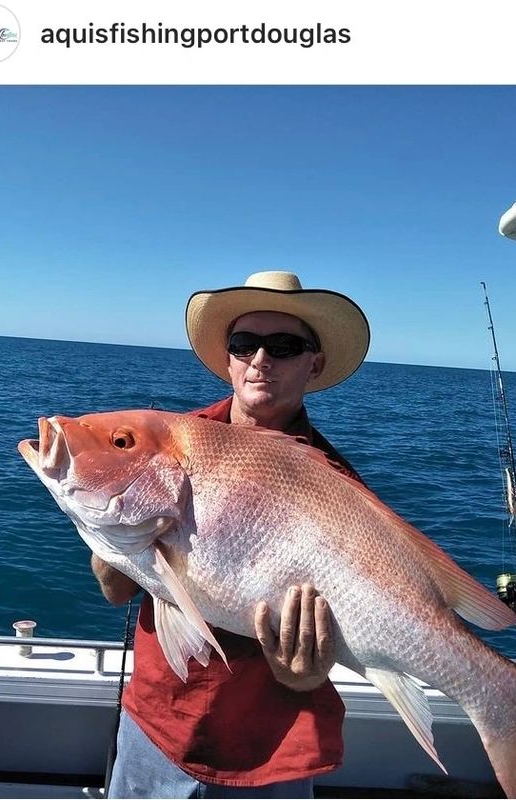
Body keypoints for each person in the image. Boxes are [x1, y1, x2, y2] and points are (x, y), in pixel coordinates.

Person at [92, 270, 370, 798]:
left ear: (315, 363)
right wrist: (119, 530)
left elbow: (325, 659)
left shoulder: (341, 489)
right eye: (244, 345)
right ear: (228, 359)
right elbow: (114, 591)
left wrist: (303, 673)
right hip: (160, 728)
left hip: (272, 754)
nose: (260, 360)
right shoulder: (165, 447)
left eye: (284, 346)